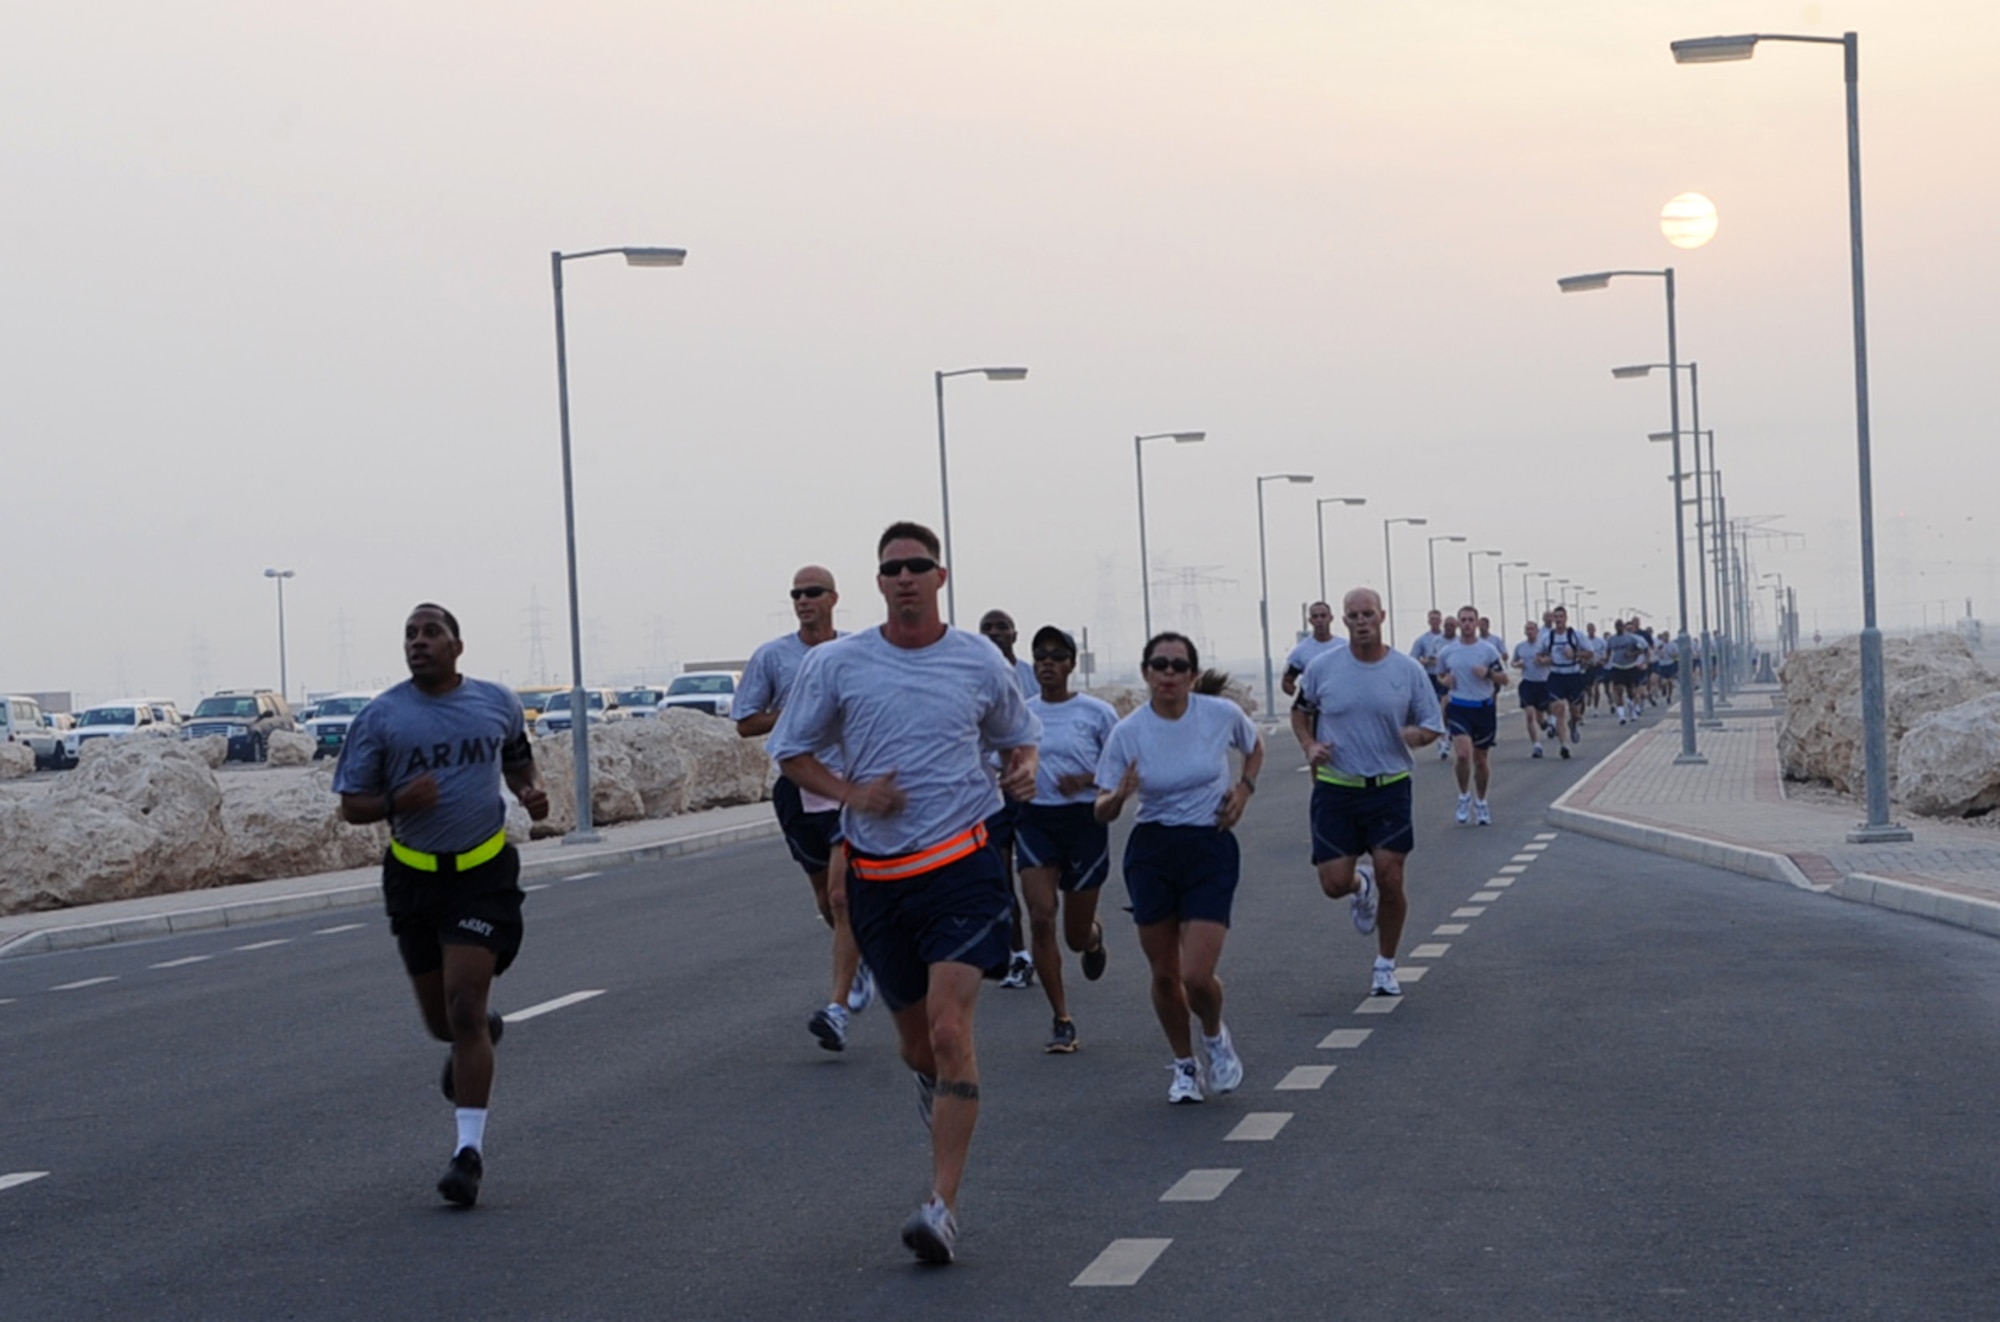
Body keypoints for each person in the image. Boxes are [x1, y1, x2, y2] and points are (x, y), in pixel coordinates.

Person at [769, 522, 1040, 1266]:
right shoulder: (839, 663)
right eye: (893, 569)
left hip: (963, 862)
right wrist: (852, 791)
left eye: (919, 566)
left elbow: (1021, 736)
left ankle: (942, 1206)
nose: (906, 578)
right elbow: (790, 752)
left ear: (941, 576)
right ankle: (935, 1084)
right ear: (879, 583)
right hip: (880, 878)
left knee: (953, 1033)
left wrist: (1021, 769)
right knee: (918, 1044)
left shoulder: (977, 658)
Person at [334, 604, 551, 1208]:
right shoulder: (382, 717)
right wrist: (401, 799)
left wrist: (529, 790)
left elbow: (516, 756)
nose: (418, 642)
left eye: (431, 633)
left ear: (458, 645)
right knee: (443, 1025)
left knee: (463, 1007)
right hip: (414, 878)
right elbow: (352, 805)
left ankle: (468, 1153)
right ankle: (479, 1034)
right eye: (410, 634)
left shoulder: (496, 702)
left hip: (482, 873)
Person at [1094, 632, 1263, 1104]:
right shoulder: (1128, 732)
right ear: (1146, 673)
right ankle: (1185, 1066)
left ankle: (1213, 1035)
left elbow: (1255, 748)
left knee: (1195, 974)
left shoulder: (1219, 715)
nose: (1168, 674)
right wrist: (1119, 798)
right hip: (1153, 850)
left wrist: (1244, 791)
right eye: (1159, 665)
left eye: (1177, 666)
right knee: (1165, 974)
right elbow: (1100, 808)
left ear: (1191, 675)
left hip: (1209, 845)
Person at [732, 565, 872, 1053]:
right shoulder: (773, 656)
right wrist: (793, 713)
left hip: (843, 783)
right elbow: (745, 722)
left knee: (841, 896)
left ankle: (837, 1007)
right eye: (796, 594)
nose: (803, 600)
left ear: (834, 598)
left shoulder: (857, 651)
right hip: (795, 785)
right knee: (822, 896)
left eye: (813, 592)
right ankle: (861, 956)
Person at [1293, 588, 1445, 998]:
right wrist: (1309, 745)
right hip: (1337, 789)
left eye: (1368, 614)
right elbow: (1300, 712)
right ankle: (1360, 887)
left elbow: (1433, 723)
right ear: (1344, 622)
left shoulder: (1406, 670)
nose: (1361, 622)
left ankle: (1385, 964)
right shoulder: (1323, 669)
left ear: (1382, 616)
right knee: (1333, 883)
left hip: (1389, 786)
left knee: (1391, 876)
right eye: (1354, 616)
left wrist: (1419, 735)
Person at [1016, 626, 1118, 1054]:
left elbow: (1126, 766)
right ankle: (1062, 1018)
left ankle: (1092, 937)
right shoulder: (1020, 713)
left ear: (1072, 664)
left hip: (1084, 822)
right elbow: (998, 760)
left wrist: (1089, 778)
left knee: (1073, 936)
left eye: (1057, 656)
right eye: (1040, 656)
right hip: (1035, 820)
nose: (1047, 663)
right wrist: (1013, 780)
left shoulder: (1096, 713)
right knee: (1041, 917)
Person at [977, 608, 1037, 991]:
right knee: (999, 879)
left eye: (1002, 627)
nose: (995, 633)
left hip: (1031, 794)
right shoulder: (974, 676)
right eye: (988, 629)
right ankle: (1019, 955)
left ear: (1015, 634)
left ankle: (1068, 932)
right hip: (993, 795)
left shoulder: (1032, 675)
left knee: (1039, 884)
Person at [1437, 604, 1510, 825]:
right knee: (1462, 755)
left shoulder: (1488, 650)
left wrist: (1487, 673)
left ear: (1477, 623)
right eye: (1464, 620)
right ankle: (1463, 797)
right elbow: (1440, 674)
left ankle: (1481, 802)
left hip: (1484, 708)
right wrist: (1445, 681)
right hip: (1459, 707)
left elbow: (1505, 679)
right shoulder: (1447, 651)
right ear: (1458, 624)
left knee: (1480, 759)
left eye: (1471, 620)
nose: (1467, 624)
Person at [1538, 605, 1585, 759]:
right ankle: (1564, 745)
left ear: (1566, 618)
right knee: (1559, 709)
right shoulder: (1547, 638)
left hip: (1573, 675)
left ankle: (1573, 724)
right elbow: (1539, 656)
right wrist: (1545, 660)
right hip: (1556, 676)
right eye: (1555, 617)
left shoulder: (1576, 635)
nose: (1557, 620)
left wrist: (1575, 654)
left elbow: (1590, 653)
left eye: (1560, 617)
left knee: (1576, 712)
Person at [1409, 608, 1453, 760]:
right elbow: (1413, 659)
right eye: (1432, 619)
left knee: (1445, 706)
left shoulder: (1448, 638)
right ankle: (1443, 738)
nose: (1435, 622)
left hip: (1446, 676)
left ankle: (1446, 736)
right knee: (1437, 708)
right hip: (1430, 676)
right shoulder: (1422, 640)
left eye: (1437, 619)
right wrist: (1426, 661)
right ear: (1428, 621)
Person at [1281, 601, 1346, 697]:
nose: (1319, 620)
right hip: (1316, 707)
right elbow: (1287, 681)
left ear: (1330, 618)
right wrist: (1301, 697)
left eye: (1323, 616)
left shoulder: (1345, 646)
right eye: (1315, 617)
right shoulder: (1301, 651)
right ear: (1310, 621)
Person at [1512, 620, 1553, 758]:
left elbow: (1553, 659)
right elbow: (1513, 662)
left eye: (1532, 629)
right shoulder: (1520, 647)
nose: (1529, 632)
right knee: (1530, 715)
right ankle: (1536, 745)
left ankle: (1547, 724)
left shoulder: (1544, 645)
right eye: (1527, 629)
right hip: (1527, 683)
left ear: (1537, 631)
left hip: (1543, 683)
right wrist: (1518, 664)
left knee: (1540, 716)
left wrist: (1544, 661)